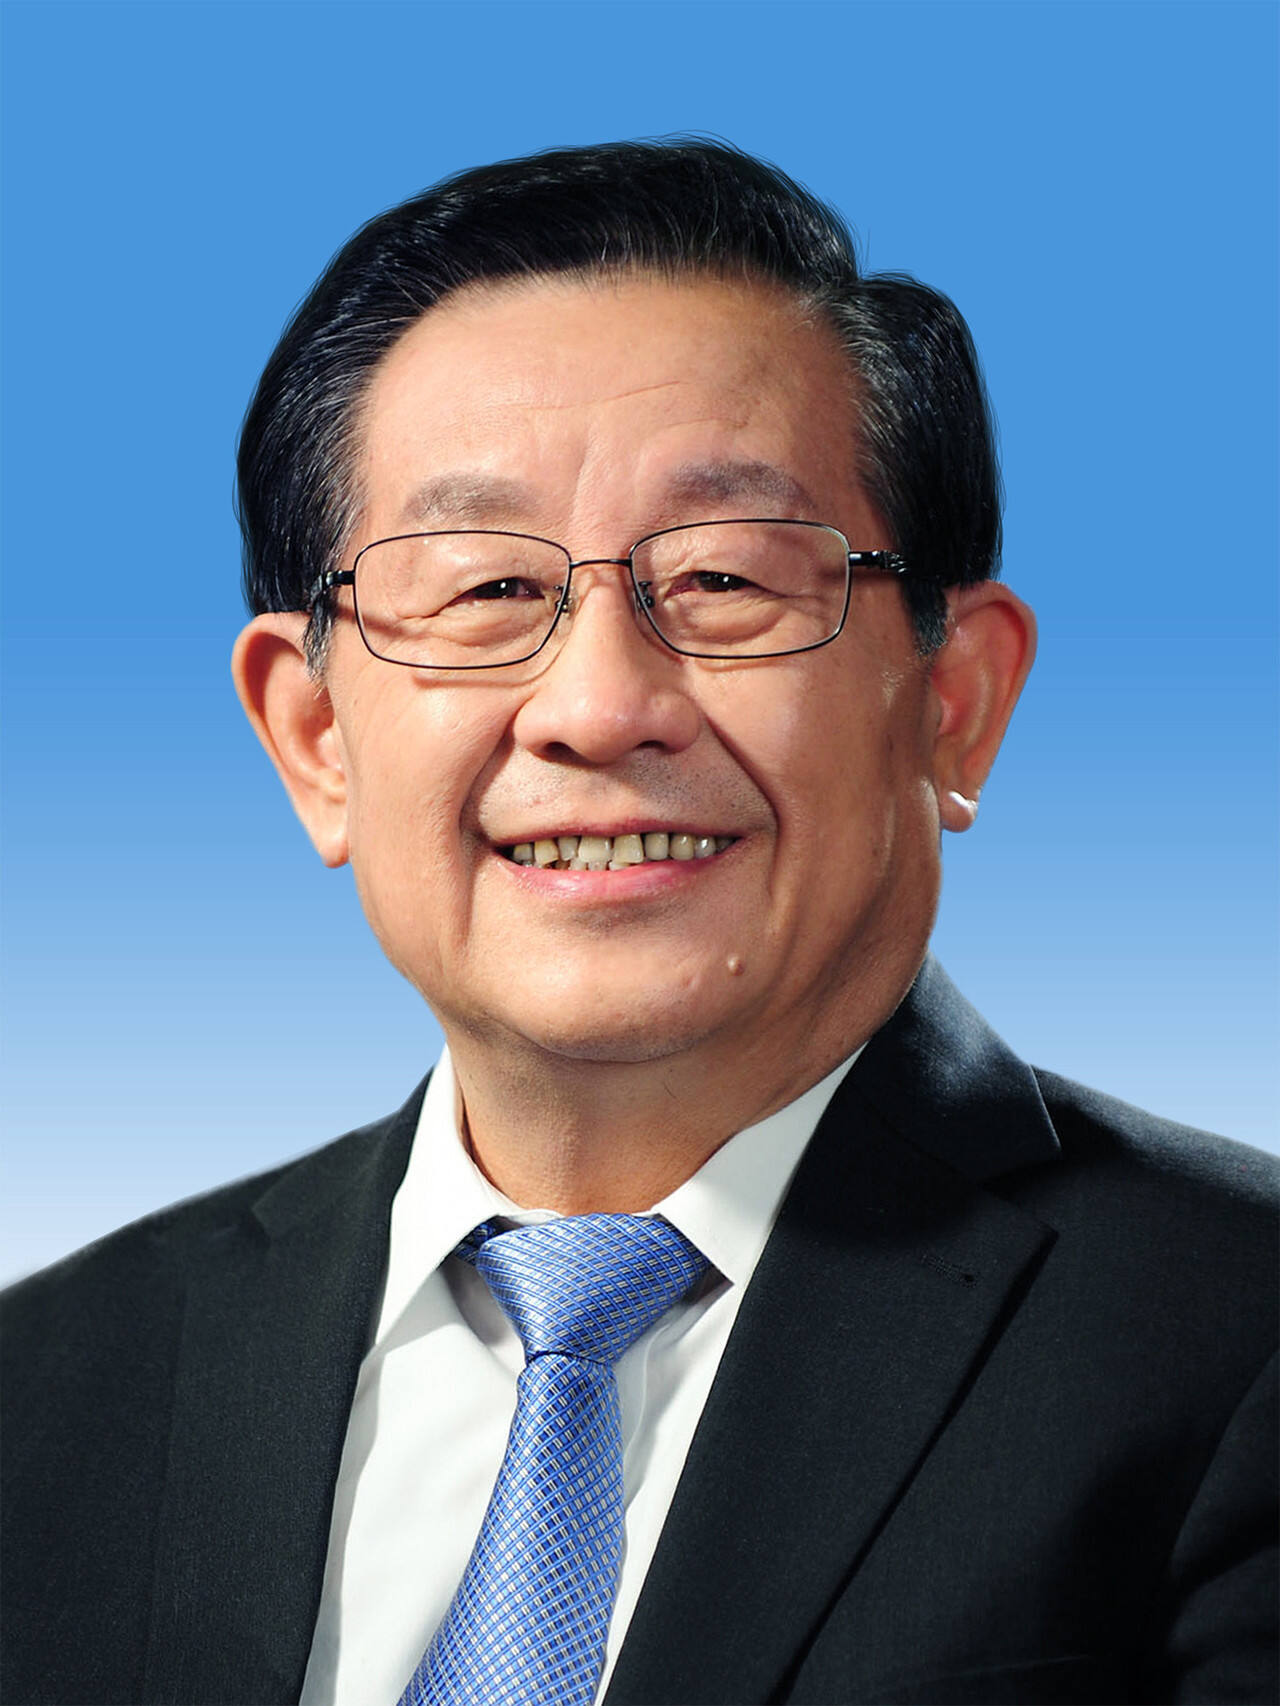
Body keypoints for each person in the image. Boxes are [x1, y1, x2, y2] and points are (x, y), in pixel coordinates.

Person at [2, 139, 1275, 1706]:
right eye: (484, 590)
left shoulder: (1236, 1339)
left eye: (726, 577)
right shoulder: (48, 1390)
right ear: (316, 741)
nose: (600, 705)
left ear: (954, 703)